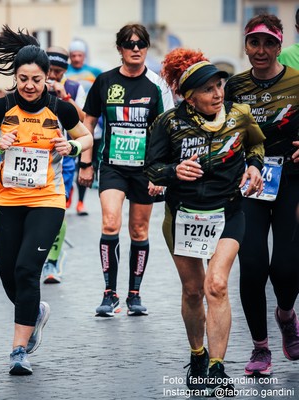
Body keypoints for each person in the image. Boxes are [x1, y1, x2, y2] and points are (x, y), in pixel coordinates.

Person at [0, 25, 93, 375]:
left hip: (47, 199)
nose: (30, 86)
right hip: (7, 201)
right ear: (15, 77)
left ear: (47, 78)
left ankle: (19, 351)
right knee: (9, 277)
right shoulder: (0, 107)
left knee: (26, 270)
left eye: (37, 79)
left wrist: (73, 146)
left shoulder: (60, 109)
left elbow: (88, 137)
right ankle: (33, 313)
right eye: (23, 79)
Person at [146, 47, 265, 396]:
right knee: (193, 290)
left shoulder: (239, 115)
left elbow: (256, 145)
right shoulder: (168, 123)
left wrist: (255, 166)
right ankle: (197, 355)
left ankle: (216, 367)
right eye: (208, 89)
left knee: (217, 284)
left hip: (228, 212)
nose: (217, 94)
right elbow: (150, 168)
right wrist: (173, 171)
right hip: (183, 216)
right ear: (189, 96)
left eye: (219, 86)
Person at [78, 24, 174, 317]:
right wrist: (86, 163)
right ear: (119, 48)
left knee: (139, 229)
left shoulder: (158, 85)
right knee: (109, 224)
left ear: (146, 48)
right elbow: (88, 124)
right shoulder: (104, 82)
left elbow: (168, 132)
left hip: (145, 170)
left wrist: (161, 174)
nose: (135, 48)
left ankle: (134, 294)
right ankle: (109, 293)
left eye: (141, 44)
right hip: (112, 167)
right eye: (129, 44)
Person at [225, 14, 299, 377]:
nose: (261, 50)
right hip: (249, 182)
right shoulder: (234, 87)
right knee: (252, 265)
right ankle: (260, 348)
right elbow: (217, 129)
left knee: (287, 265)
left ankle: (286, 314)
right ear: (246, 45)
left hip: (292, 179)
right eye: (254, 42)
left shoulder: (298, 81)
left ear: (280, 45)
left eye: (269, 43)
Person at [41, 45, 86, 284]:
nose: (53, 75)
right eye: (50, 70)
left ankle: (53, 261)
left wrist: (63, 95)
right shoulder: (34, 82)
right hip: (36, 155)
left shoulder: (73, 87)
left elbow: (83, 117)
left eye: (58, 71)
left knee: (57, 211)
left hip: (63, 158)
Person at [66, 38, 103, 216]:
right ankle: (68, 191)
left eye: (79, 55)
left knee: (87, 162)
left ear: (84, 55)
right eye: (73, 55)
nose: (77, 58)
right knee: (68, 162)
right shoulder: (64, 71)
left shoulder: (94, 72)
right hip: (70, 123)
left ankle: (81, 202)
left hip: (90, 123)